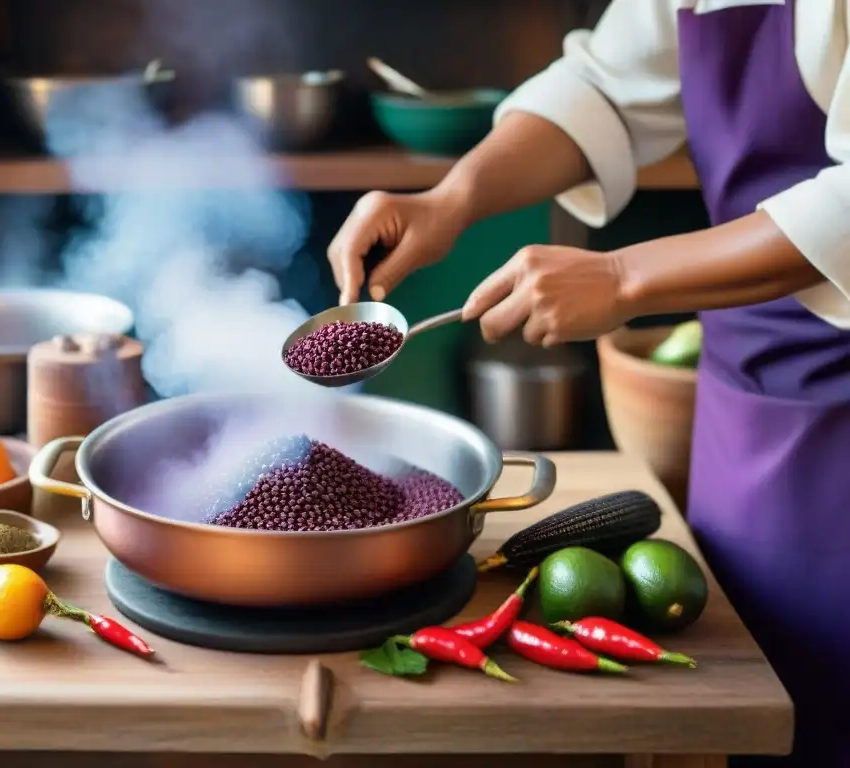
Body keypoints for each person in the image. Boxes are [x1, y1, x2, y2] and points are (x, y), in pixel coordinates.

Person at [328, 1, 850, 764]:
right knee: (760, 691)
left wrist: (623, 273)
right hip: (749, 389)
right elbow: (606, 87)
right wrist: (452, 198)